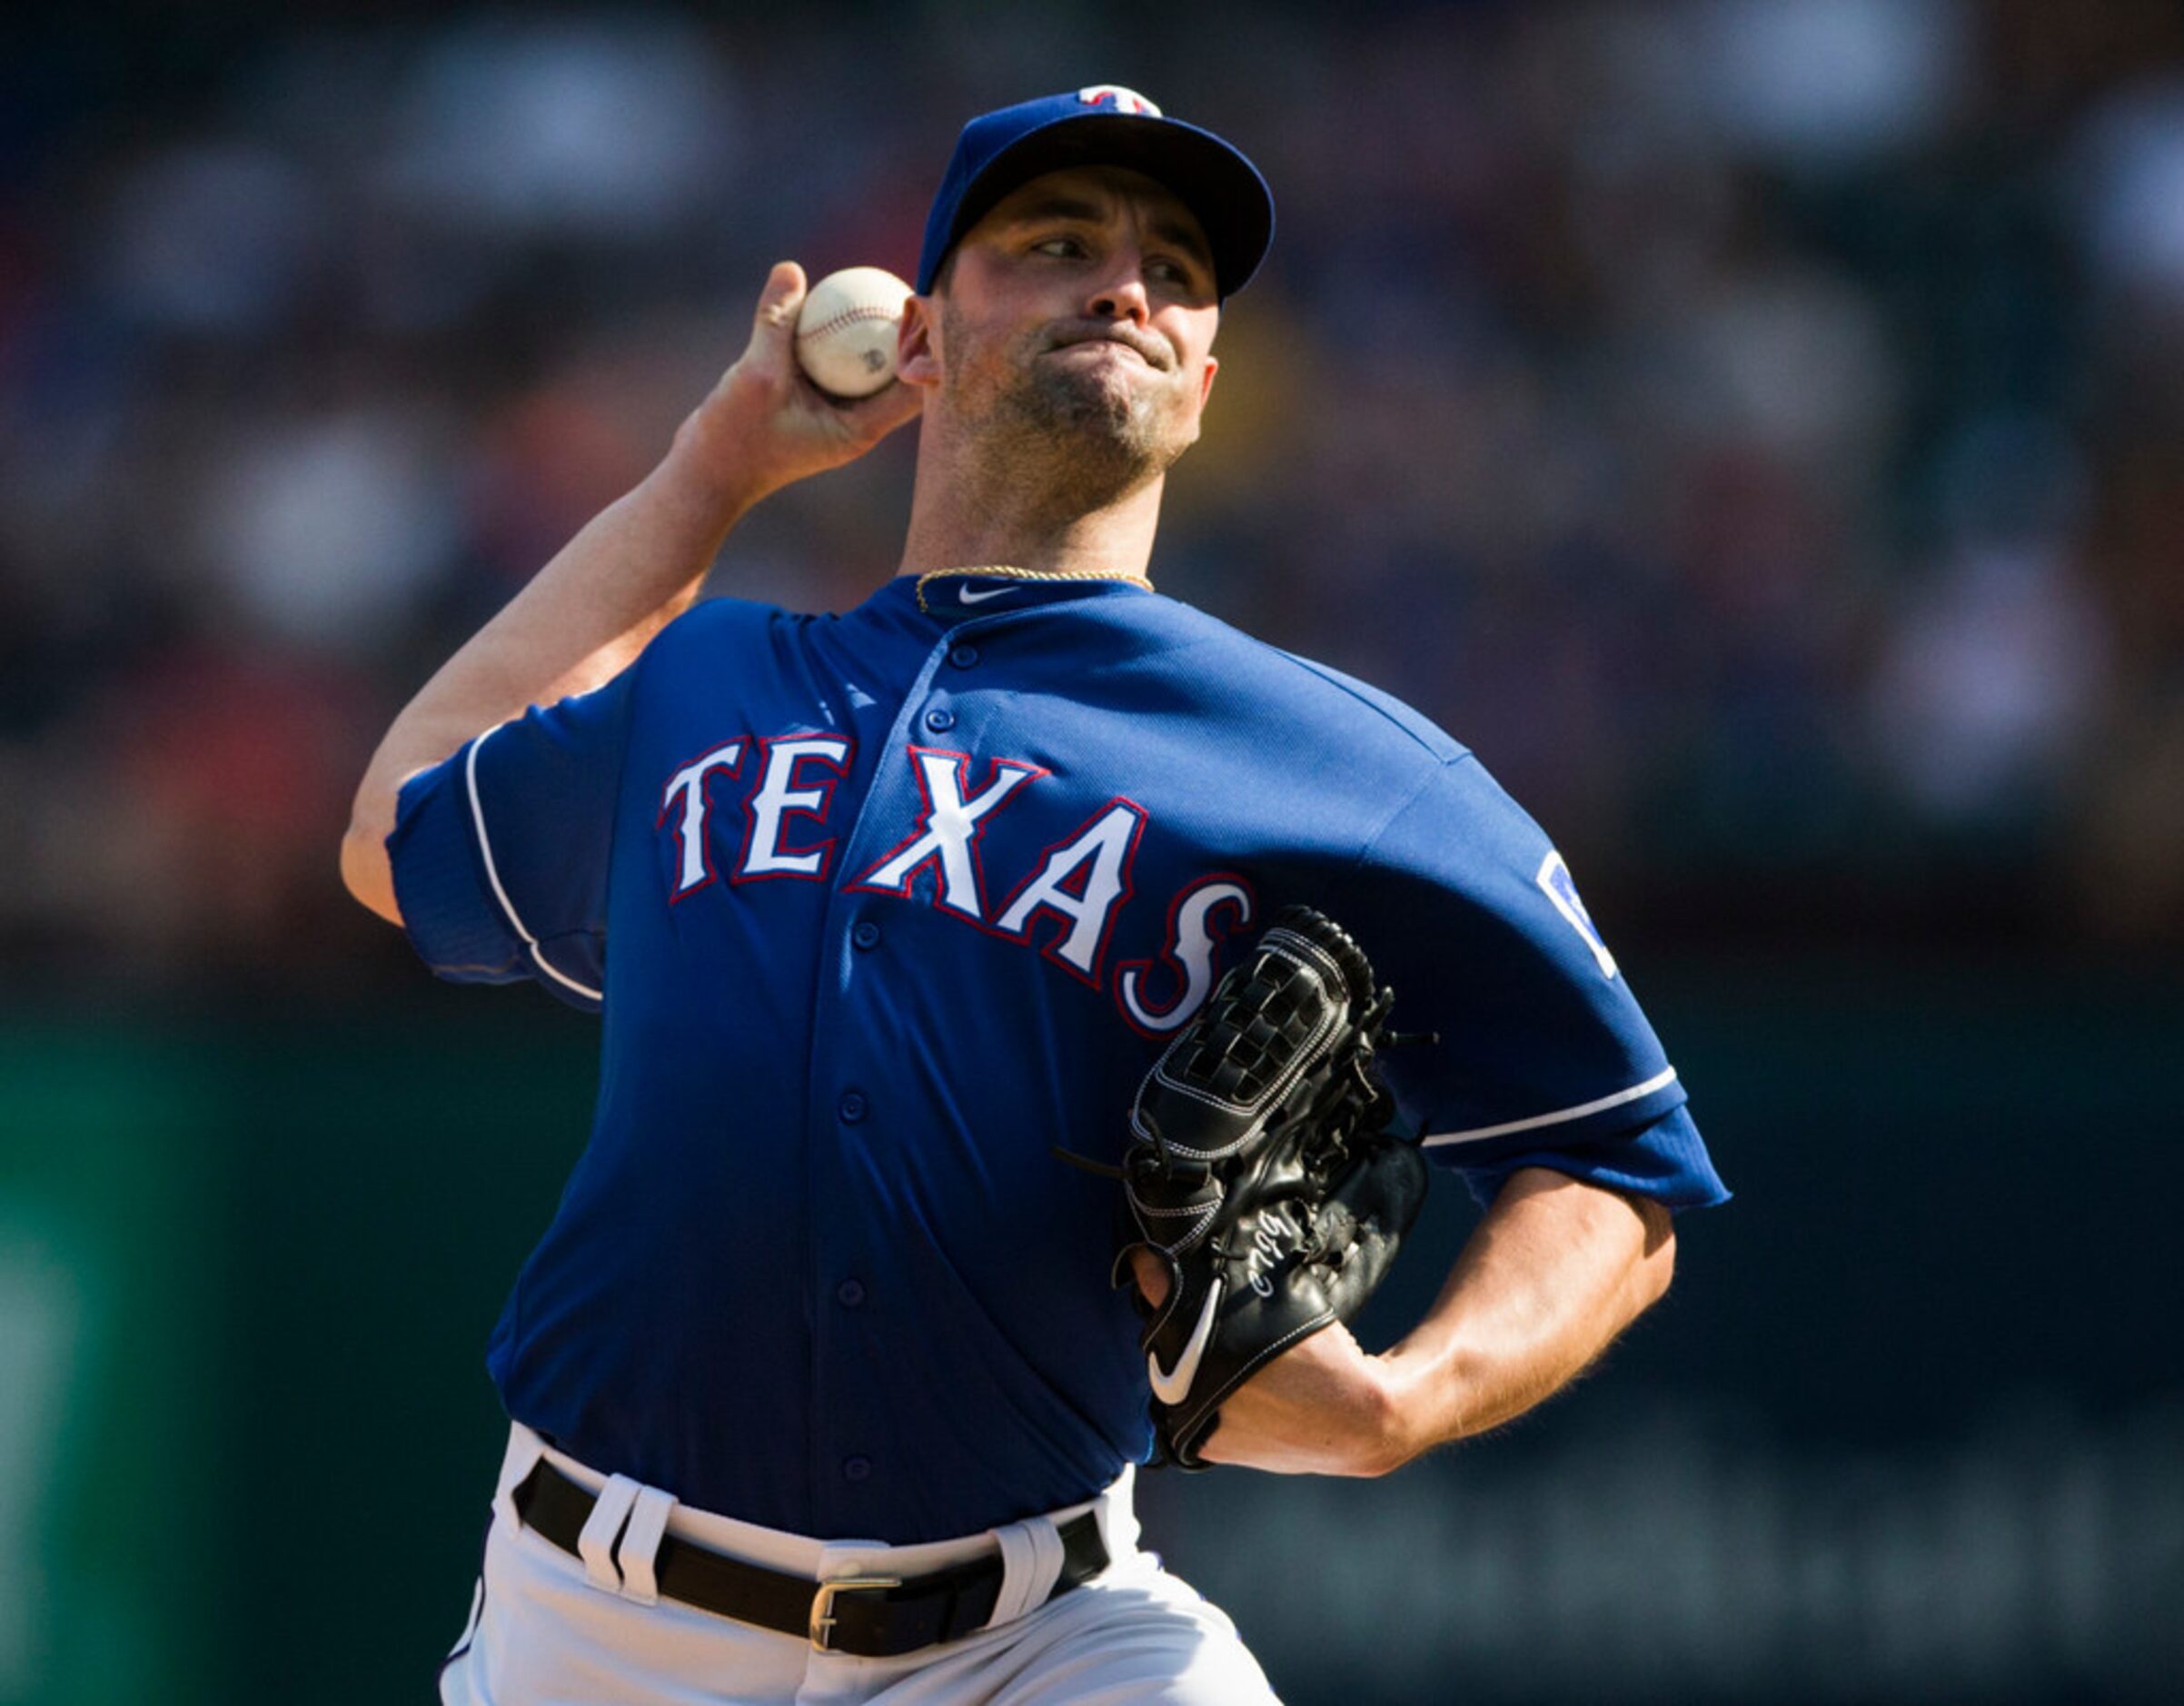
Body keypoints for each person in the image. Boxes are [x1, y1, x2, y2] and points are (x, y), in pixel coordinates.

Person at [341, 86, 1728, 1705]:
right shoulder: (715, 678)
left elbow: (1615, 1161)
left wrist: (1410, 1397)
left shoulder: (1337, 764)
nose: (1124, 284)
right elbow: (399, 832)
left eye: (1175, 272)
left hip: (1037, 1639)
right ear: (913, 339)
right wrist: (709, 472)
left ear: (1204, 386)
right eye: (1056, 242)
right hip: (595, 1624)